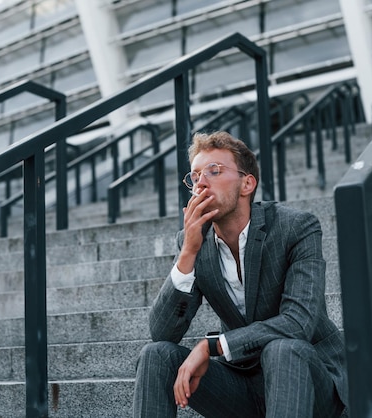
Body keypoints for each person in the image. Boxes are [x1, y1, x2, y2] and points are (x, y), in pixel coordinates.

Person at [132, 131, 348, 417]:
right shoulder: (194, 241)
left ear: (247, 183)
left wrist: (214, 346)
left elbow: (298, 323)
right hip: (243, 386)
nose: (201, 183)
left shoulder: (295, 227)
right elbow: (162, 332)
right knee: (156, 355)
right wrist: (188, 253)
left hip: (308, 380)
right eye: (195, 176)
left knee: (281, 349)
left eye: (214, 171)